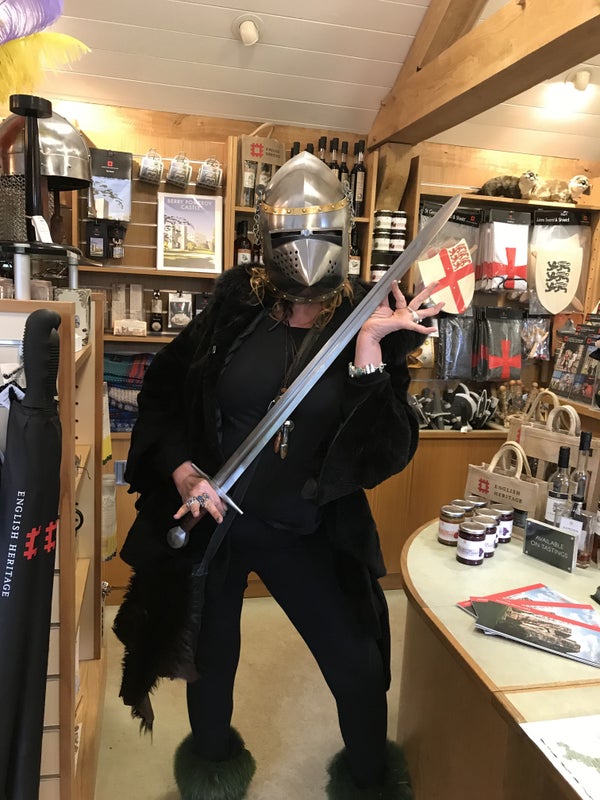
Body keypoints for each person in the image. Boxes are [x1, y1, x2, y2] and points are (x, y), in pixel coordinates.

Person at [113, 151, 442, 800]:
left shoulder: (368, 319)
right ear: (267, 236)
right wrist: (182, 471)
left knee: (356, 665)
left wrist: (369, 356)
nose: (306, 248)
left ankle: (370, 783)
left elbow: (385, 452)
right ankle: (212, 771)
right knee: (211, 661)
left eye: (321, 232)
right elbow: (167, 393)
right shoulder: (235, 308)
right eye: (292, 232)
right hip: (217, 521)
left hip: (306, 528)